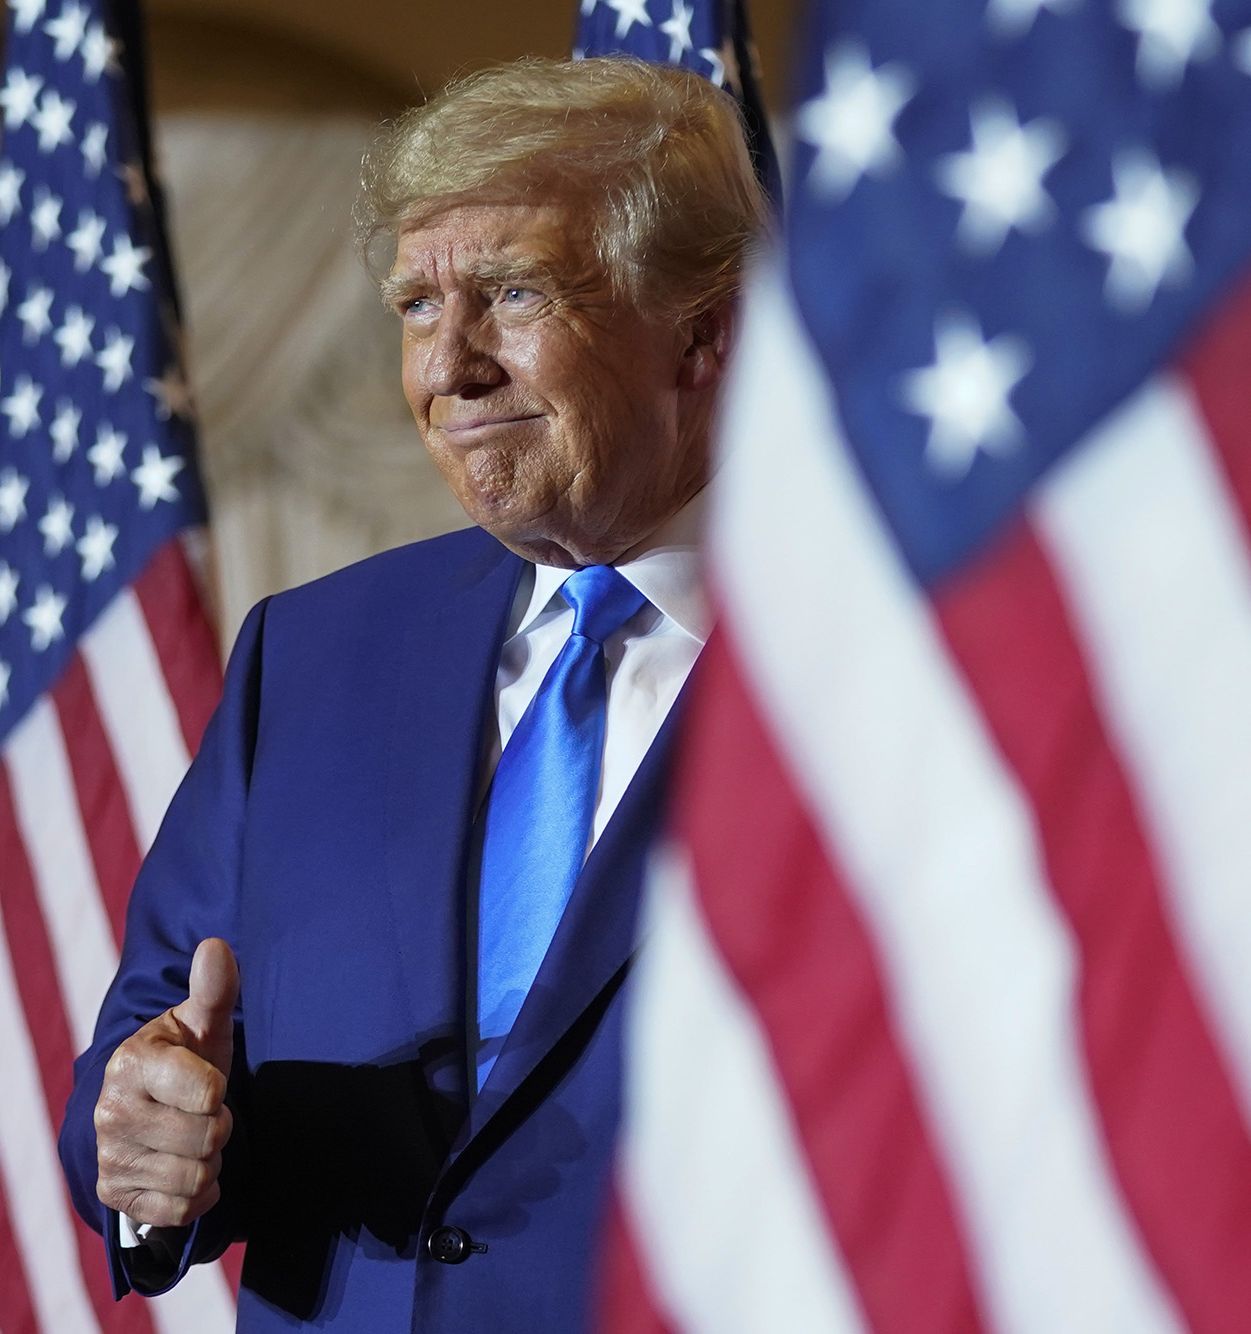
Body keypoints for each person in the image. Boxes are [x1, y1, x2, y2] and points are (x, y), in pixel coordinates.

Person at [58, 56, 767, 1331]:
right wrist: (145, 1140)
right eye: (415, 307)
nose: (451, 365)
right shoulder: (314, 656)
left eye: (513, 293)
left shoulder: (859, 659)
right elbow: (149, 1043)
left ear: (703, 332)